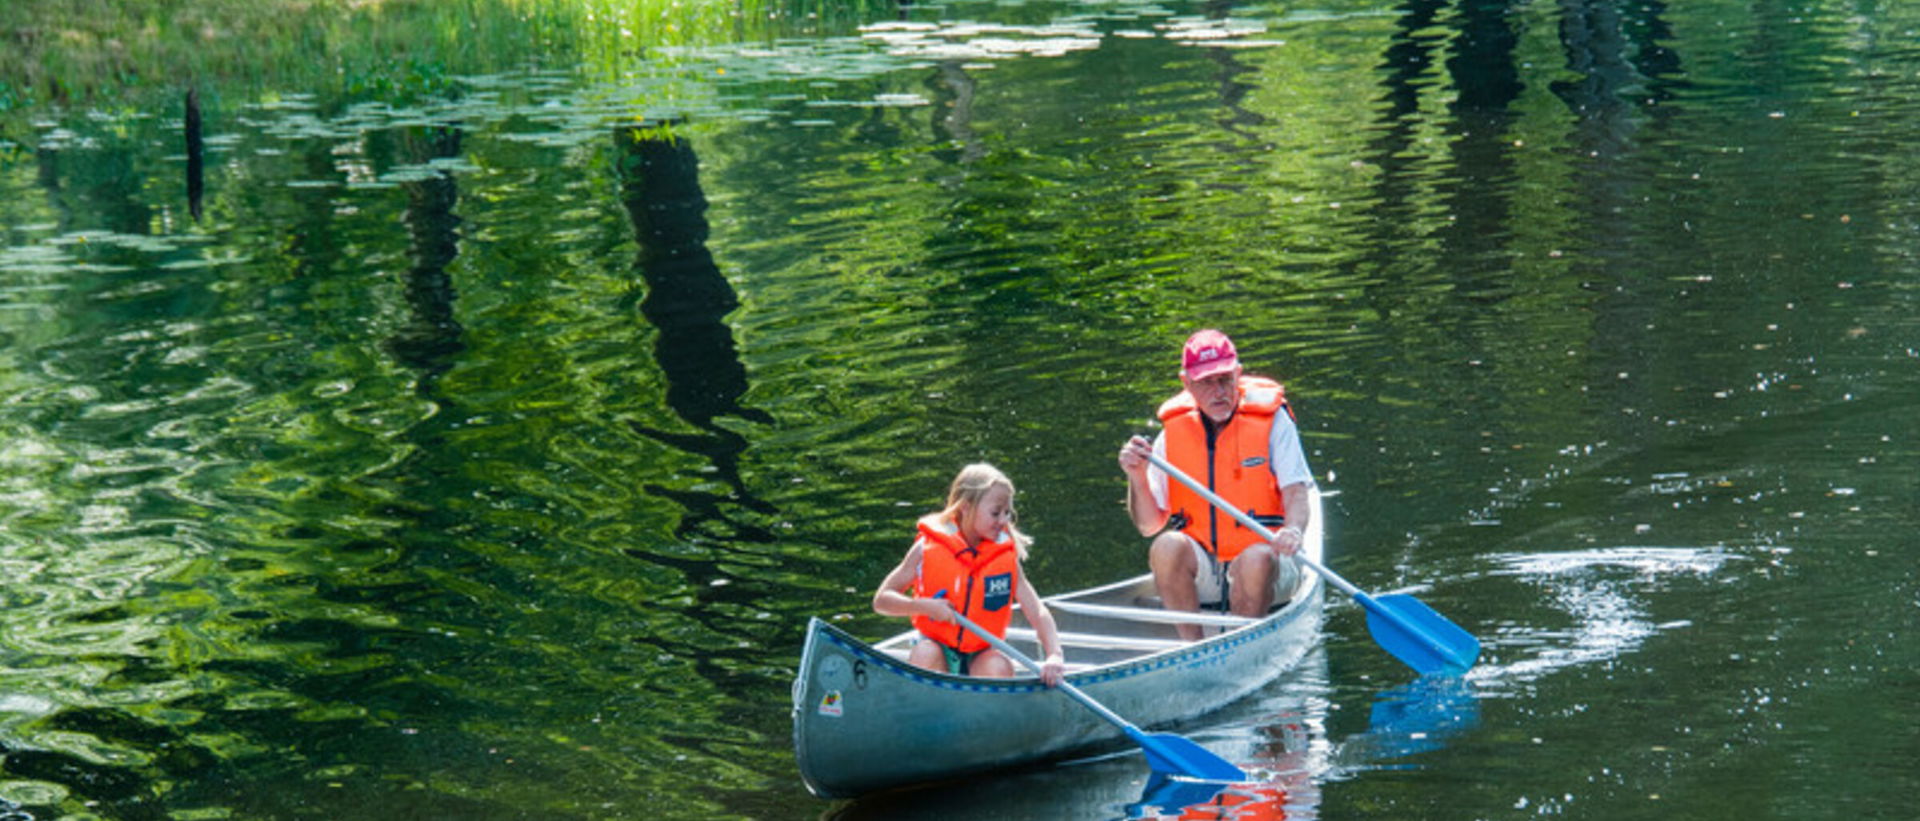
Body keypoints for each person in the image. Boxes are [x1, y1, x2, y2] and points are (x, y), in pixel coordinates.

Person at [1117, 329, 1313, 640]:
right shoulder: (1174, 432)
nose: (1218, 391)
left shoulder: (1274, 422)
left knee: (1255, 559)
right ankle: (1193, 647)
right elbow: (1149, 525)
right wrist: (1137, 475)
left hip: (1270, 562)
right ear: (1187, 383)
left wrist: (1293, 530)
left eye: (1224, 379)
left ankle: (1242, 645)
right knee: (1166, 545)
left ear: (1238, 374)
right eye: (1206, 382)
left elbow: (1297, 494)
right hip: (1206, 566)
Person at [873, 463, 1067, 685]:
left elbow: (1037, 611)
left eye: (1007, 513)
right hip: (938, 651)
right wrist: (924, 606)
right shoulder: (926, 548)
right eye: (995, 513)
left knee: (998, 667)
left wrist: (1054, 655)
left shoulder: (1004, 557)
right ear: (965, 507)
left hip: (980, 654)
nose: (1003, 521)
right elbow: (882, 600)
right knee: (925, 653)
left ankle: (986, 715)